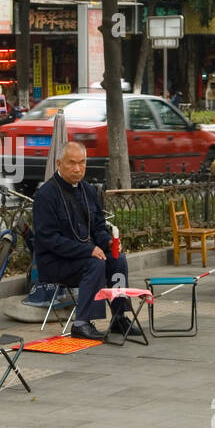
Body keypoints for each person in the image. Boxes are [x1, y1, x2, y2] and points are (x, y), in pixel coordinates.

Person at [31, 142, 139, 342]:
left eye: (82, 163)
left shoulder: (87, 190)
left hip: (82, 255)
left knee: (117, 259)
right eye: (71, 163)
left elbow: (98, 226)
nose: (77, 169)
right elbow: (48, 239)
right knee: (95, 263)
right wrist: (87, 250)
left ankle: (119, 317)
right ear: (59, 163)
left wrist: (108, 242)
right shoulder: (46, 195)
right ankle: (82, 323)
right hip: (55, 262)